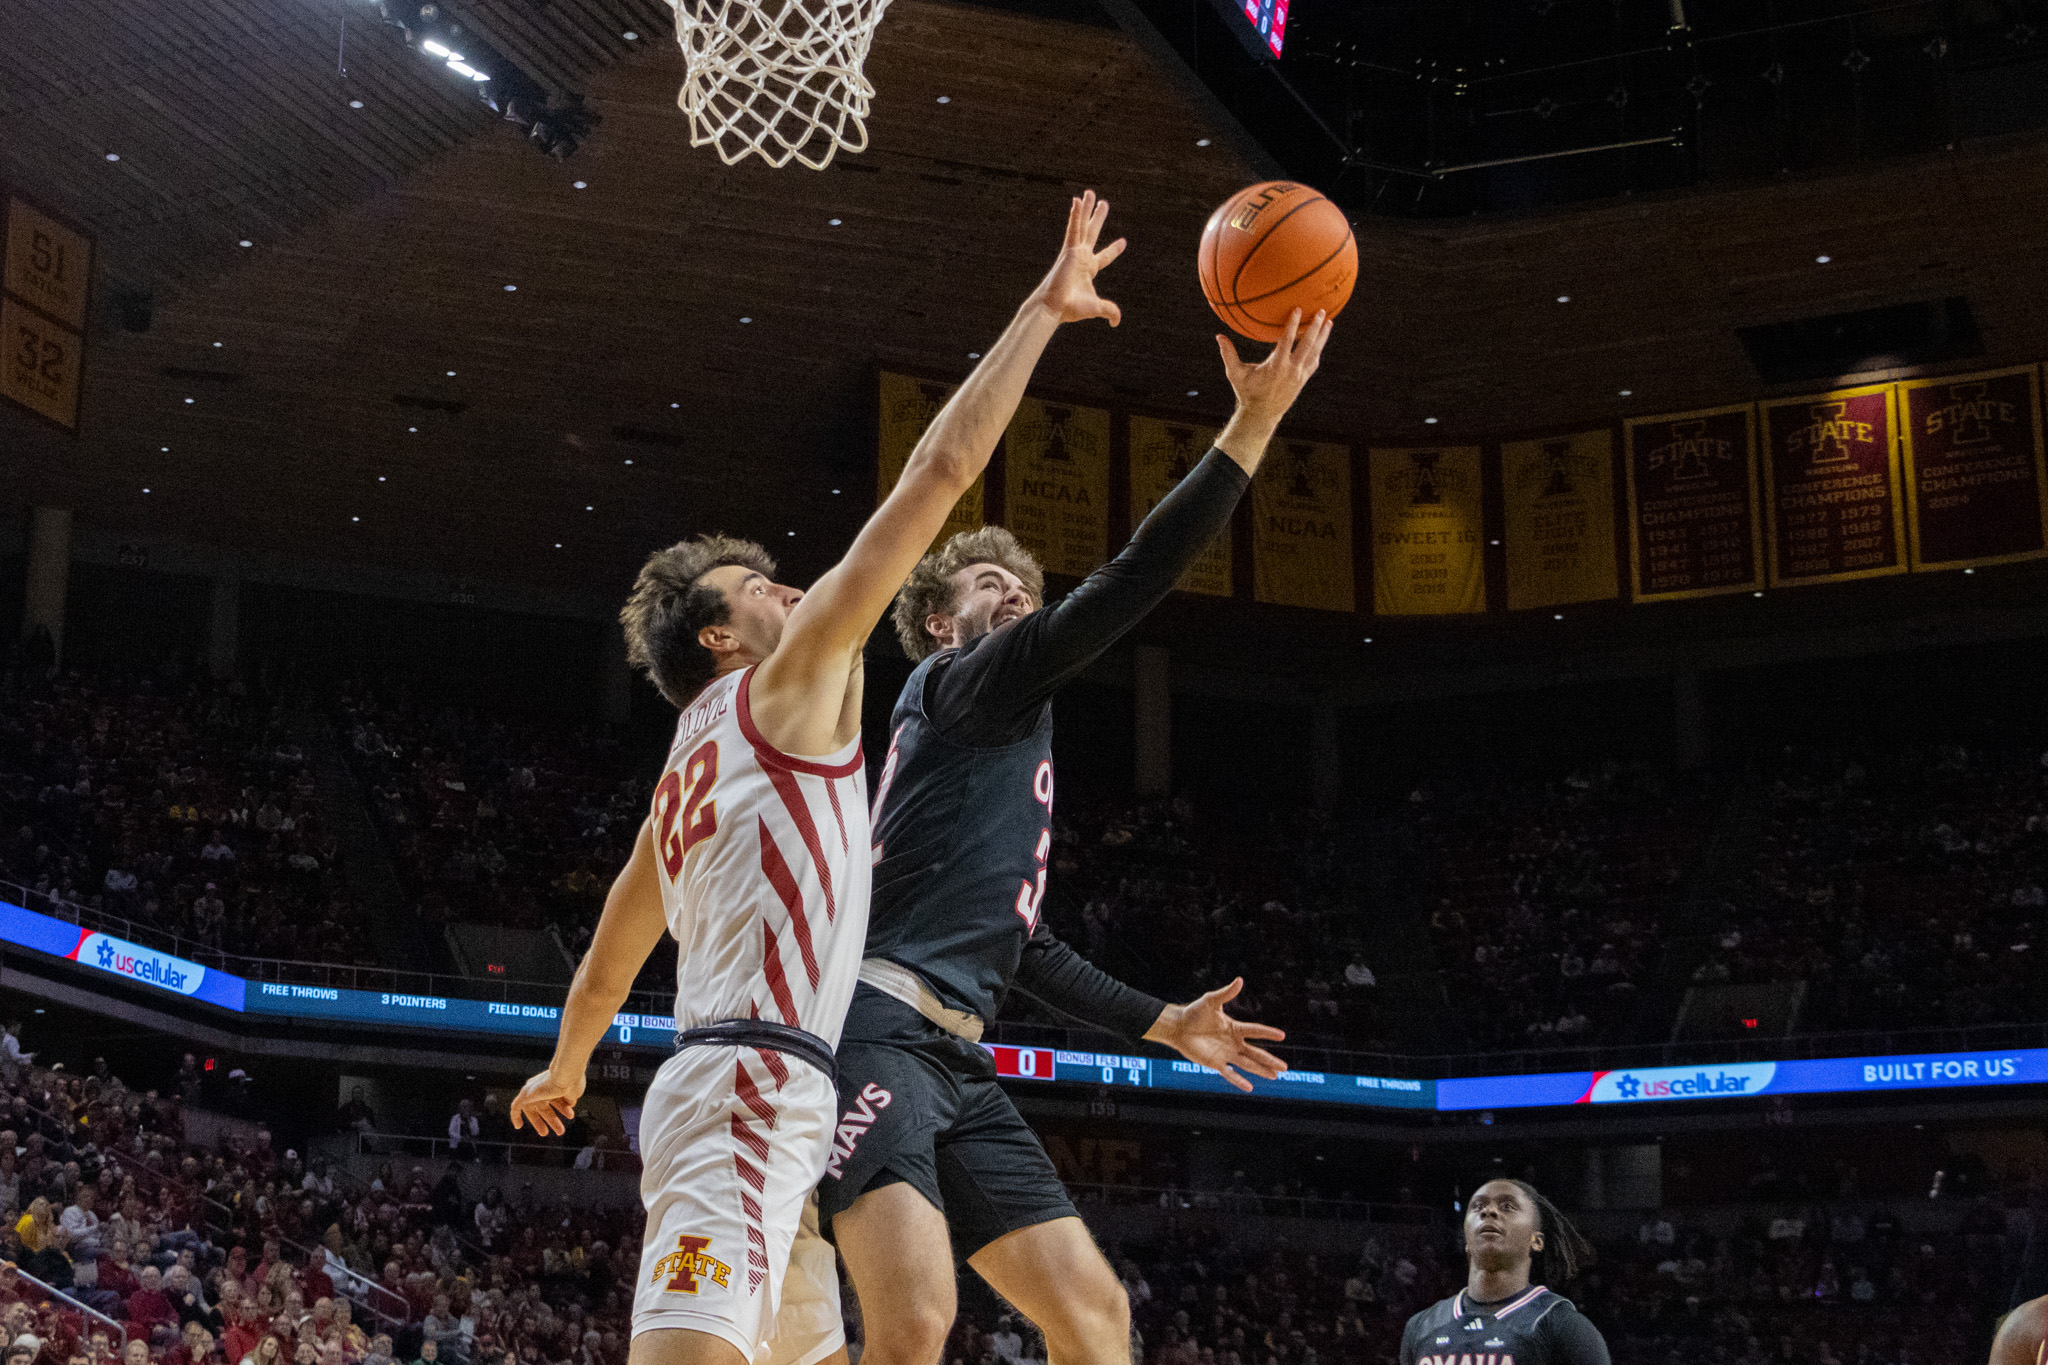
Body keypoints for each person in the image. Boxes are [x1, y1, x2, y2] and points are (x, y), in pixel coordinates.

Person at [509, 191, 1128, 1365]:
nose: (793, 591)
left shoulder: (682, 778)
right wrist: (1038, 314)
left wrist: (568, 1063)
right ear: (721, 640)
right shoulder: (781, 693)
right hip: (749, 1078)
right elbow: (940, 472)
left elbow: (605, 959)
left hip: (784, 1091)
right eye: (762, 587)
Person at [822, 308, 1331, 1365]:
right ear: (937, 621)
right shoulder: (965, 684)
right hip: (873, 1028)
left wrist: (1160, 1021)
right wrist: (1248, 429)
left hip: (955, 1054)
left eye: (1022, 584)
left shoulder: (1000, 731)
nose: (1013, 588)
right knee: (914, 1322)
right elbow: (1133, 577)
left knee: (1095, 1321)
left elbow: (1025, 943)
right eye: (985, 584)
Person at [1398, 1179, 1609, 1364]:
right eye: (1478, 1206)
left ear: (1535, 1241)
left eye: (1507, 1206)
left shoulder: (1562, 1325)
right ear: (1466, 1241)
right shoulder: (1420, 1326)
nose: (1488, 1211)